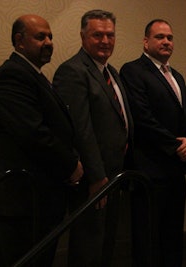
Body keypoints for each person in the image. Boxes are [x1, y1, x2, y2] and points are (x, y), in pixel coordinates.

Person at [0, 14, 83, 266]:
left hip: (41, 197)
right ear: (19, 41)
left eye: (50, 36)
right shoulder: (12, 75)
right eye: (40, 37)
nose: (48, 42)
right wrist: (71, 164)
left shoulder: (34, 74)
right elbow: (32, 133)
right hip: (24, 200)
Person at [53, 9, 133, 267]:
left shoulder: (112, 72)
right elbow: (80, 130)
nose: (105, 41)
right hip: (93, 179)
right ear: (82, 36)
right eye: (97, 35)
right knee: (89, 247)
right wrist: (97, 176)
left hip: (115, 174)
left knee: (106, 245)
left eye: (110, 35)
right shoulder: (73, 71)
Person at [120, 19, 186, 267]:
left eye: (170, 38)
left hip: (176, 171)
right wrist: (175, 145)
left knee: (173, 239)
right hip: (150, 171)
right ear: (146, 41)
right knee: (148, 240)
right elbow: (142, 118)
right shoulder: (132, 70)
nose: (166, 42)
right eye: (160, 37)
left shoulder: (178, 76)